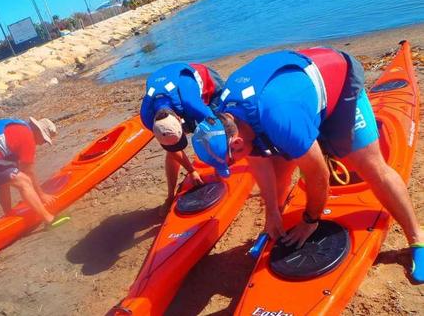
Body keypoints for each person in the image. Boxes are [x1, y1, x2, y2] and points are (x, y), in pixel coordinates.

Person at [192, 47, 424, 282]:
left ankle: (418, 239)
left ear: (238, 142)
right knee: (278, 167)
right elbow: (262, 168)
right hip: (293, 94)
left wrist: (310, 220)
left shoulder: (279, 118)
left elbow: (318, 175)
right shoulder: (224, 117)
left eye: (232, 160)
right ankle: (275, 222)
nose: (234, 164)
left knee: (372, 167)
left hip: (338, 82)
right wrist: (272, 212)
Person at [140, 63, 224, 215]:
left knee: (219, 124)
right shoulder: (147, 117)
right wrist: (191, 171)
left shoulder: (191, 103)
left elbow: (217, 128)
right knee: (171, 147)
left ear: (179, 118)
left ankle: (223, 171)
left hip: (203, 80)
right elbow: (172, 150)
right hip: (169, 87)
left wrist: (220, 164)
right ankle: (170, 195)